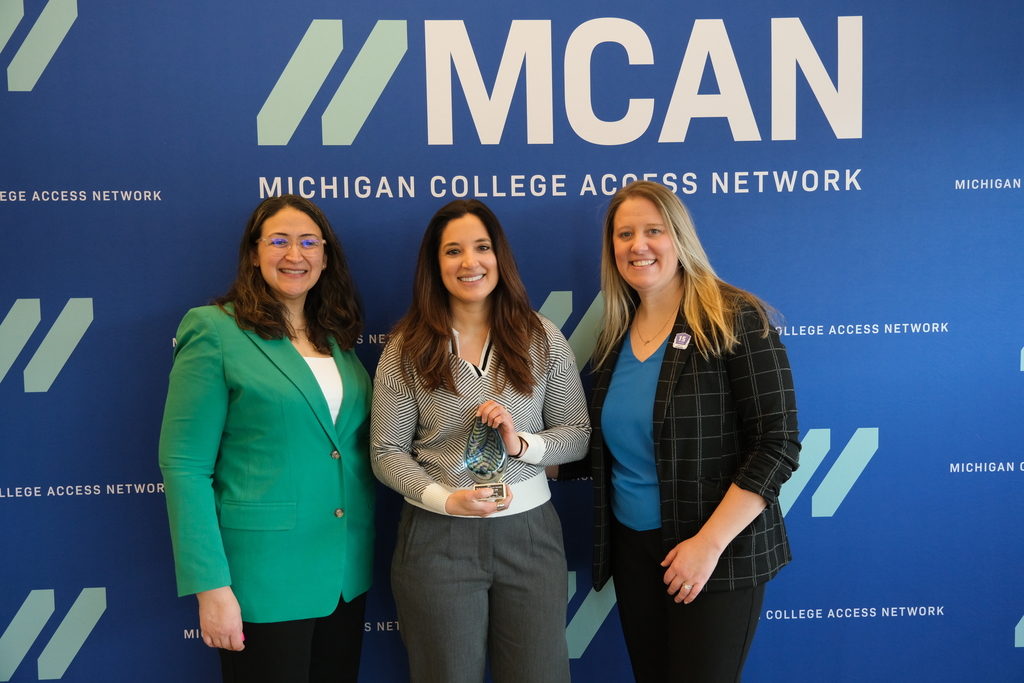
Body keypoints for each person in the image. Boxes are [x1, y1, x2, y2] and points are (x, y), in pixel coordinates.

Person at [564, 181, 800, 682]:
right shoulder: (614, 335)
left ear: (680, 238)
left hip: (715, 554)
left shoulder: (734, 318)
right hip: (635, 554)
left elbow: (777, 444)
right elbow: (609, 449)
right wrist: (523, 452)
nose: (638, 245)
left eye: (653, 230)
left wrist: (708, 544)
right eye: (624, 234)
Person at [370, 199, 590, 683]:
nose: (470, 262)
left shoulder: (542, 337)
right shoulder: (407, 347)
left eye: (482, 247)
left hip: (530, 536)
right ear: (435, 265)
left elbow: (576, 437)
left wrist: (521, 444)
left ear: (500, 256)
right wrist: (445, 500)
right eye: (453, 251)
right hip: (436, 538)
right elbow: (386, 453)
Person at [158, 195, 374, 683]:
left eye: (307, 242)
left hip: (342, 576)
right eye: (278, 241)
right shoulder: (214, 329)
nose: (293, 254)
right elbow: (185, 466)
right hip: (261, 581)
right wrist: (211, 588)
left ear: (325, 255)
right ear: (254, 253)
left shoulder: (336, 340)